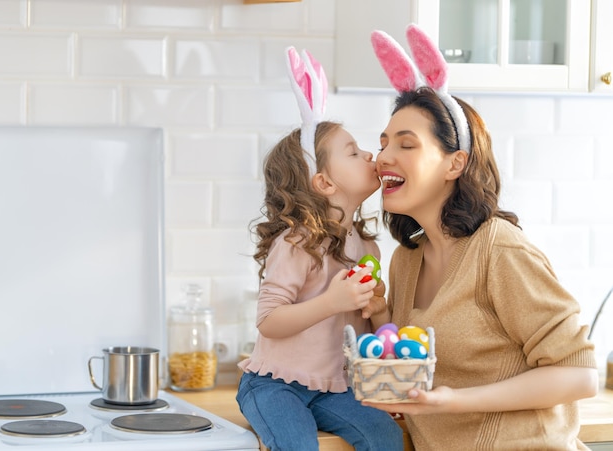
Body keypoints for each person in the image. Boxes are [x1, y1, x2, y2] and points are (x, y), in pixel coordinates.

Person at [361, 25, 599, 450]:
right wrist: (378, 317)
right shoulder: (407, 258)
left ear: (455, 164)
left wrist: (454, 401)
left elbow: (579, 374)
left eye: (406, 144)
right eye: (383, 144)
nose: (383, 158)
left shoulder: (499, 250)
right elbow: (410, 362)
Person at [235, 47, 404, 451]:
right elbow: (269, 320)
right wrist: (332, 301)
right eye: (352, 151)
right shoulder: (296, 243)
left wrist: (377, 310)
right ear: (325, 183)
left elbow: (363, 333)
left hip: (333, 387)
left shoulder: (367, 248)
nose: (369, 154)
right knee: (298, 445)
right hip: (274, 385)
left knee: (385, 436)